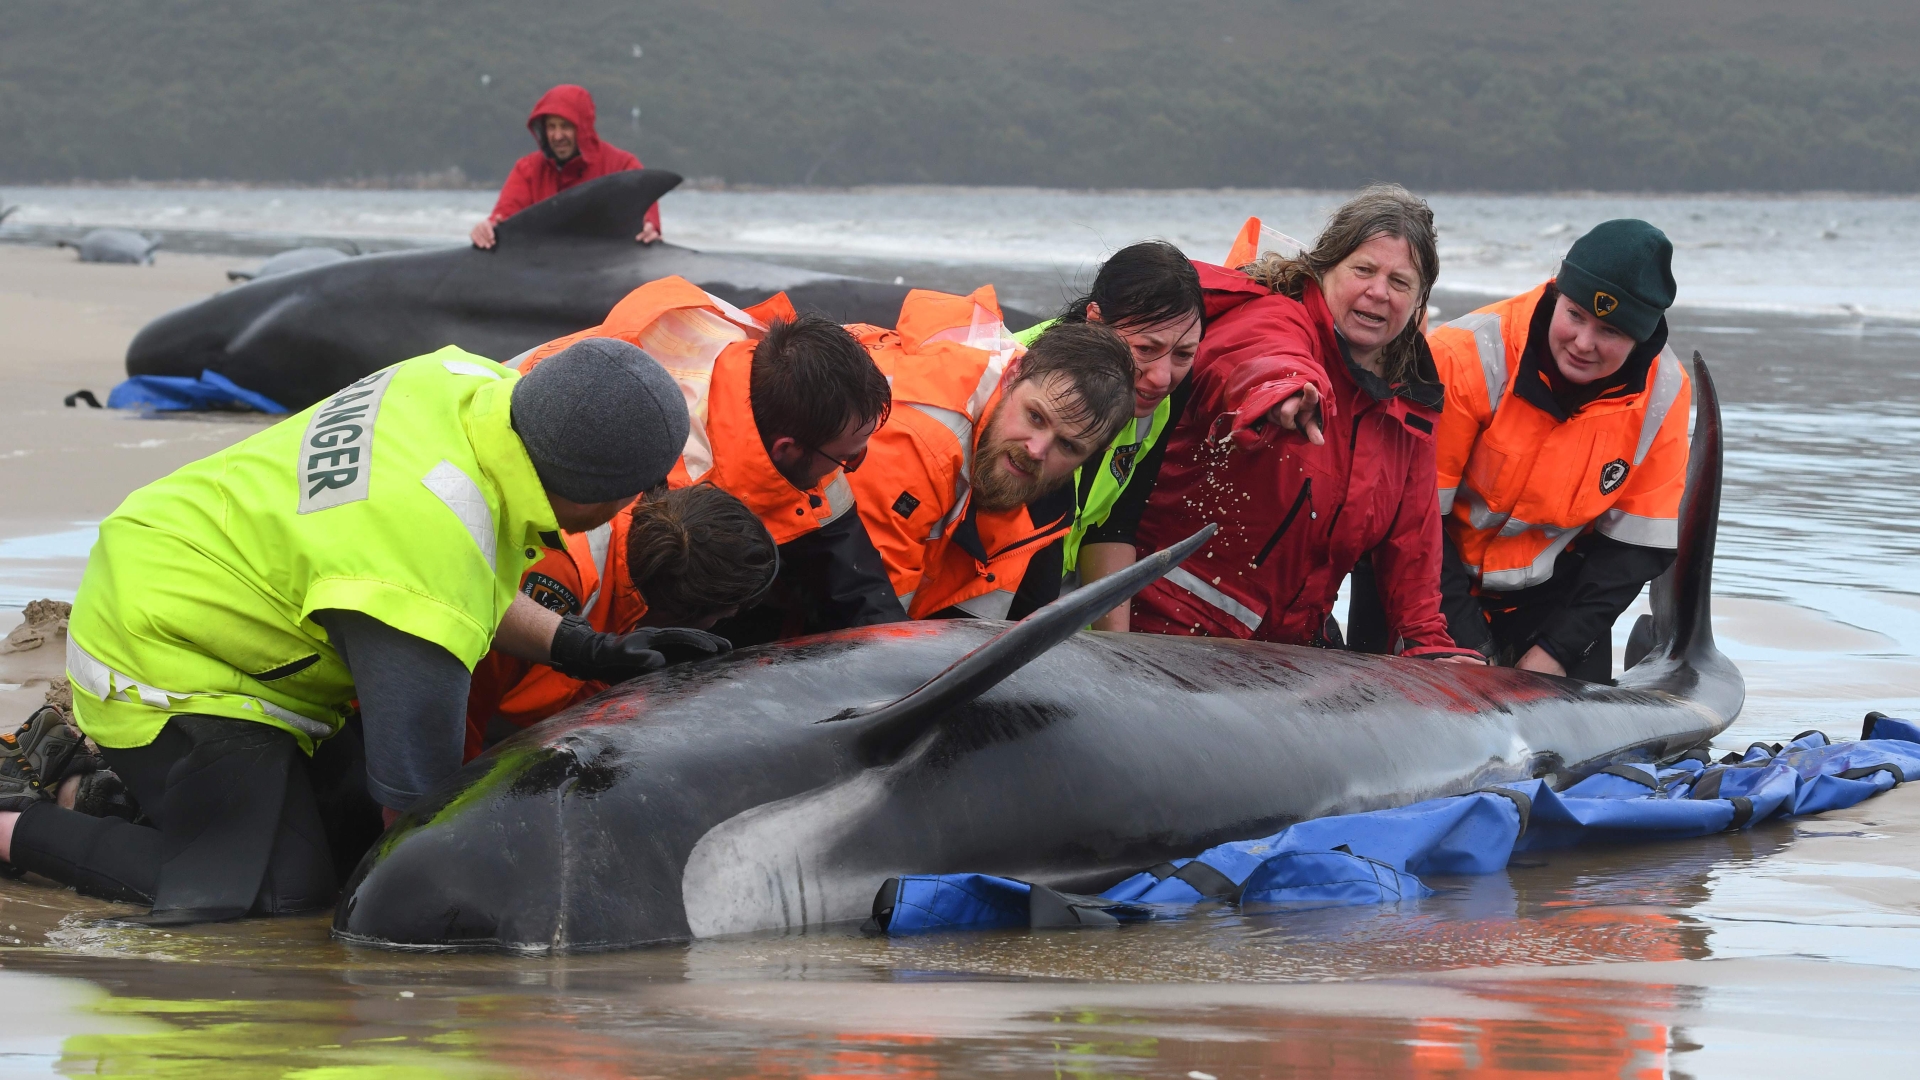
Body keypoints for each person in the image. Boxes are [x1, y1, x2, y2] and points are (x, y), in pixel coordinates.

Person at [0, 339, 727, 922]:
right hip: (162, 652)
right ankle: (16, 827)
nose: (643, 502)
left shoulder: (465, 387)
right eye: (639, 490)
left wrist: (587, 648)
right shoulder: (421, 553)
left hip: (213, 572)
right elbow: (414, 803)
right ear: (597, 495)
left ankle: (107, 794)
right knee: (274, 895)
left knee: (335, 830)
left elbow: (449, 573)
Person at [1128, 185, 1482, 662]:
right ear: (1323, 267)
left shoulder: (1410, 403)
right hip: (1164, 623)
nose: (1378, 292)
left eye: (1400, 282)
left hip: (1287, 649)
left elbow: (1412, 544)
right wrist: (1281, 391)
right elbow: (1256, 357)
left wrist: (1428, 643)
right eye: (1363, 269)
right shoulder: (1274, 316)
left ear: (1419, 300)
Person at [515, 275, 905, 647]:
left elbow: (851, 578)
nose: (849, 466)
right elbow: (600, 622)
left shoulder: (781, 383)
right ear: (788, 449)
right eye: (845, 457)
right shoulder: (659, 482)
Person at [1424, 219, 1690, 681]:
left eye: (1610, 331)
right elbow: (1413, 516)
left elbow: (1633, 549)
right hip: (1423, 580)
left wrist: (1558, 650)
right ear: (1555, 294)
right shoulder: (1463, 353)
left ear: (1641, 337)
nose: (1583, 344)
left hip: (1552, 596)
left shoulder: (1665, 392)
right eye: (1575, 315)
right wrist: (1469, 646)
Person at [848, 289, 1136, 620]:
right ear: (1013, 375)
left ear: (1094, 455)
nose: (1037, 449)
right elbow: (859, 624)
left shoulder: (1049, 502)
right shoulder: (920, 438)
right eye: (1035, 417)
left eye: (1068, 446)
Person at [465, 483, 779, 758]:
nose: (730, 618)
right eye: (725, 615)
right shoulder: (560, 579)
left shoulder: (660, 519)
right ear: (677, 615)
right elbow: (468, 703)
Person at [1009, 241, 1206, 628]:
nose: (1163, 377)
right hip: (992, 595)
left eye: (1183, 354)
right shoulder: (1022, 379)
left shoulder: (1165, 394)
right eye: (1147, 348)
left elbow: (1114, 522)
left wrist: (1117, 654)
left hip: (1057, 595)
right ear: (1095, 320)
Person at [470, 84, 661, 250]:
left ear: (584, 127)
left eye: (565, 126)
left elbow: (648, 224)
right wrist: (486, 229)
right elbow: (502, 218)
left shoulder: (624, 167)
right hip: (545, 274)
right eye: (551, 127)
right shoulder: (527, 170)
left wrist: (650, 229)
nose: (557, 136)